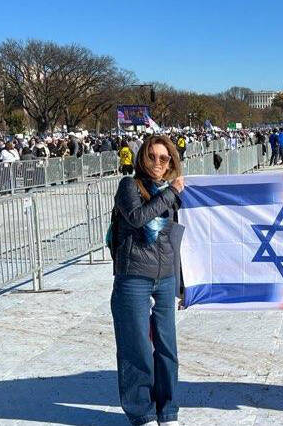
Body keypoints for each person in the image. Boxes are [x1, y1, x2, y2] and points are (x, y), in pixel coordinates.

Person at [111, 135, 184, 426]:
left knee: (167, 347)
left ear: (171, 162)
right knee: (136, 347)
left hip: (165, 275)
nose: (157, 163)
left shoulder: (172, 192)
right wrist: (169, 194)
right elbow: (137, 217)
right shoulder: (129, 186)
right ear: (142, 157)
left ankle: (168, 410)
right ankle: (141, 411)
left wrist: (181, 284)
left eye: (164, 158)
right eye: (152, 156)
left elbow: (174, 238)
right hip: (134, 275)